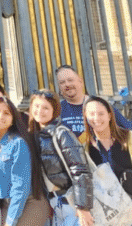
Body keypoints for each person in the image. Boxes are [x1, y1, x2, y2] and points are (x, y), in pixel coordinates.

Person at [29, 90, 93, 226]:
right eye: (36, 106)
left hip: (71, 202)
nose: (40, 110)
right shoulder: (35, 136)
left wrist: (82, 207)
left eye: (46, 107)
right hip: (54, 203)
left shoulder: (62, 133)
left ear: (54, 111)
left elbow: (80, 170)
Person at [0, 97, 48, 226]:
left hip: (30, 202)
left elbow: (21, 185)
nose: (1, 116)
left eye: (6, 113)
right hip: (8, 202)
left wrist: (10, 221)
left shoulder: (18, 143)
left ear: (13, 119)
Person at [82, 96, 132, 204]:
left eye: (101, 114)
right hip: (110, 212)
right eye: (91, 114)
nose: (96, 118)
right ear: (86, 117)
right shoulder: (86, 148)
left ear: (109, 116)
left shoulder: (129, 138)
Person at [56, 64, 132, 136]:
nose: (67, 84)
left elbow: (130, 132)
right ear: (59, 87)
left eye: (70, 80)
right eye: (62, 82)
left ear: (80, 81)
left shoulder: (101, 105)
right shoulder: (57, 111)